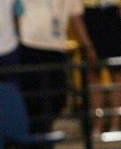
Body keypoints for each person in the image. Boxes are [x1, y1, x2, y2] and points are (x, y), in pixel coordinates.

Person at [19, 0, 96, 132]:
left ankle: (44, 133)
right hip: (30, 45)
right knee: (32, 99)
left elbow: (76, 17)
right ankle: (32, 139)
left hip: (57, 47)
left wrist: (88, 46)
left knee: (59, 98)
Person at [83, 0, 121, 135]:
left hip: (114, 13)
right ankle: (97, 125)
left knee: (117, 76)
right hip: (89, 13)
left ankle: (115, 124)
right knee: (93, 76)